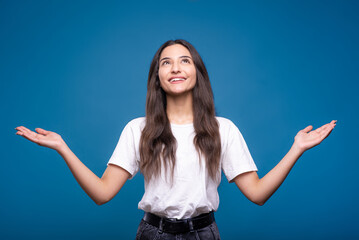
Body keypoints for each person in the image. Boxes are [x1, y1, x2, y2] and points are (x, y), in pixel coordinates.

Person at [15, 39, 336, 239]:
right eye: (165, 62)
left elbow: (257, 193)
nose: (175, 67)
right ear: (157, 77)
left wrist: (297, 149)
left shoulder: (223, 129)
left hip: (204, 233)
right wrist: (62, 148)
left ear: (197, 72)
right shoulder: (137, 129)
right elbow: (102, 193)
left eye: (184, 60)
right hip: (152, 233)